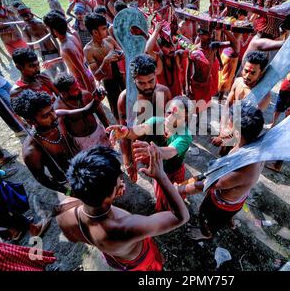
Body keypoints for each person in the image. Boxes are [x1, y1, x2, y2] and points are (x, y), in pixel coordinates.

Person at [55, 144, 189, 271]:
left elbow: (73, 237)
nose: (121, 179)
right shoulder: (126, 228)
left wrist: (109, 198)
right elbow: (181, 217)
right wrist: (161, 175)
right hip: (139, 260)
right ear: (109, 192)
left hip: (112, 257)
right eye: (118, 177)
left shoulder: (62, 211)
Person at [180, 104, 265, 240]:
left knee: (205, 214)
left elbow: (208, 185)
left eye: (229, 124)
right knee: (225, 216)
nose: (226, 128)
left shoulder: (243, 171)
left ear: (237, 132)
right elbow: (234, 135)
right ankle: (228, 220)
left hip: (222, 203)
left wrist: (181, 189)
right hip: (237, 196)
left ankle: (206, 233)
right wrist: (224, 138)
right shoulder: (254, 143)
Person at [109, 96, 193, 211]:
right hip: (159, 170)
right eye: (169, 112)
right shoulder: (156, 121)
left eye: (177, 116)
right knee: (162, 196)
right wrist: (126, 131)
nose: (171, 117)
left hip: (175, 170)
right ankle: (164, 212)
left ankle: (175, 212)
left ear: (185, 119)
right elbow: (139, 129)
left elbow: (171, 151)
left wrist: (153, 150)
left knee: (176, 195)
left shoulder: (185, 135)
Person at [117, 54, 171, 183]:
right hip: (141, 149)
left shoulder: (164, 92)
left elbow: (173, 121)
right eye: (141, 83)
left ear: (156, 75)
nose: (147, 86)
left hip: (163, 146)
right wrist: (128, 163)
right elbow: (123, 133)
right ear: (133, 80)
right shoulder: (125, 99)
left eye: (151, 81)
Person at [11, 90, 78, 194]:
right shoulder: (32, 151)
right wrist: (68, 192)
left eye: (52, 110)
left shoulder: (58, 120)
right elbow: (42, 179)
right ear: (31, 121)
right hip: (69, 183)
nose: (54, 116)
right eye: (46, 116)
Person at [53, 73, 110, 151]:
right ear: (64, 93)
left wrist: (107, 128)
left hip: (98, 133)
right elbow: (64, 135)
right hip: (82, 142)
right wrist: (73, 149)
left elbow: (100, 113)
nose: (79, 89)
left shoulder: (85, 95)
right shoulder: (59, 107)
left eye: (78, 86)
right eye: (75, 89)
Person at [84, 13, 124, 119]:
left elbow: (121, 52)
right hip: (109, 84)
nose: (107, 30)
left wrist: (119, 55)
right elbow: (97, 76)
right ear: (95, 32)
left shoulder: (109, 40)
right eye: (103, 29)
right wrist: (106, 61)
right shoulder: (89, 50)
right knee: (117, 110)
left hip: (120, 77)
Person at [43, 10, 95, 92]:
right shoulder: (72, 34)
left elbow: (82, 72)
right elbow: (74, 57)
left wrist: (88, 94)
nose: (48, 31)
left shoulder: (66, 47)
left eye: (48, 28)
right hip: (87, 74)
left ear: (54, 31)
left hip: (83, 80)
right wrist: (53, 61)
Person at [19, 6, 66, 78]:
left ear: (31, 15)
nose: (26, 18)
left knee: (64, 70)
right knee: (53, 74)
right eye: (23, 17)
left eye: (27, 16)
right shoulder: (26, 29)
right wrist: (32, 58)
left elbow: (53, 38)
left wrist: (59, 51)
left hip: (54, 51)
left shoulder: (41, 24)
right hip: (44, 54)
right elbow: (31, 45)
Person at [145, 22, 188, 97]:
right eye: (167, 46)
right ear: (161, 47)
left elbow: (191, 49)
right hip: (162, 100)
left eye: (172, 45)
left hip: (176, 99)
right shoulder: (158, 58)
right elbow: (148, 50)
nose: (171, 49)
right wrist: (156, 31)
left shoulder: (177, 55)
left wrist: (178, 35)